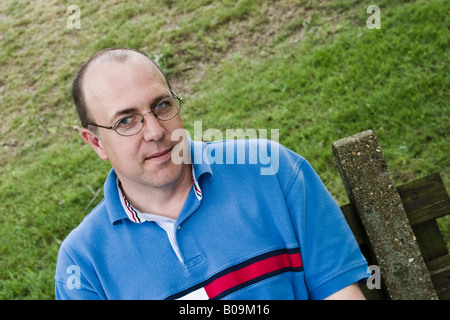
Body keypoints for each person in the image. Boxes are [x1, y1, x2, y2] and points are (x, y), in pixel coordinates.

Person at [54, 47, 369, 300]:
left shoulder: (271, 168)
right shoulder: (83, 262)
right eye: (126, 121)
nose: (154, 131)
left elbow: (340, 292)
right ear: (96, 142)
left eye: (162, 105)